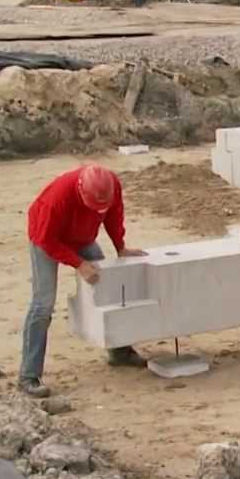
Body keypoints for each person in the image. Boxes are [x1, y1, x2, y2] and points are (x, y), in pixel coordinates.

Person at [19, 164, 149, 397]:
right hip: (47, 238)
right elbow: (46, 240)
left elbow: (114, 215)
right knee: (43, 304)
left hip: (82, 237)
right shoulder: (57, 198)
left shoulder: (111, 186)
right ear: (81, 192)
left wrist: (121, 247)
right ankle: (29, 376)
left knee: (108, 287)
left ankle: (119, 351)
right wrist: (78, 264)